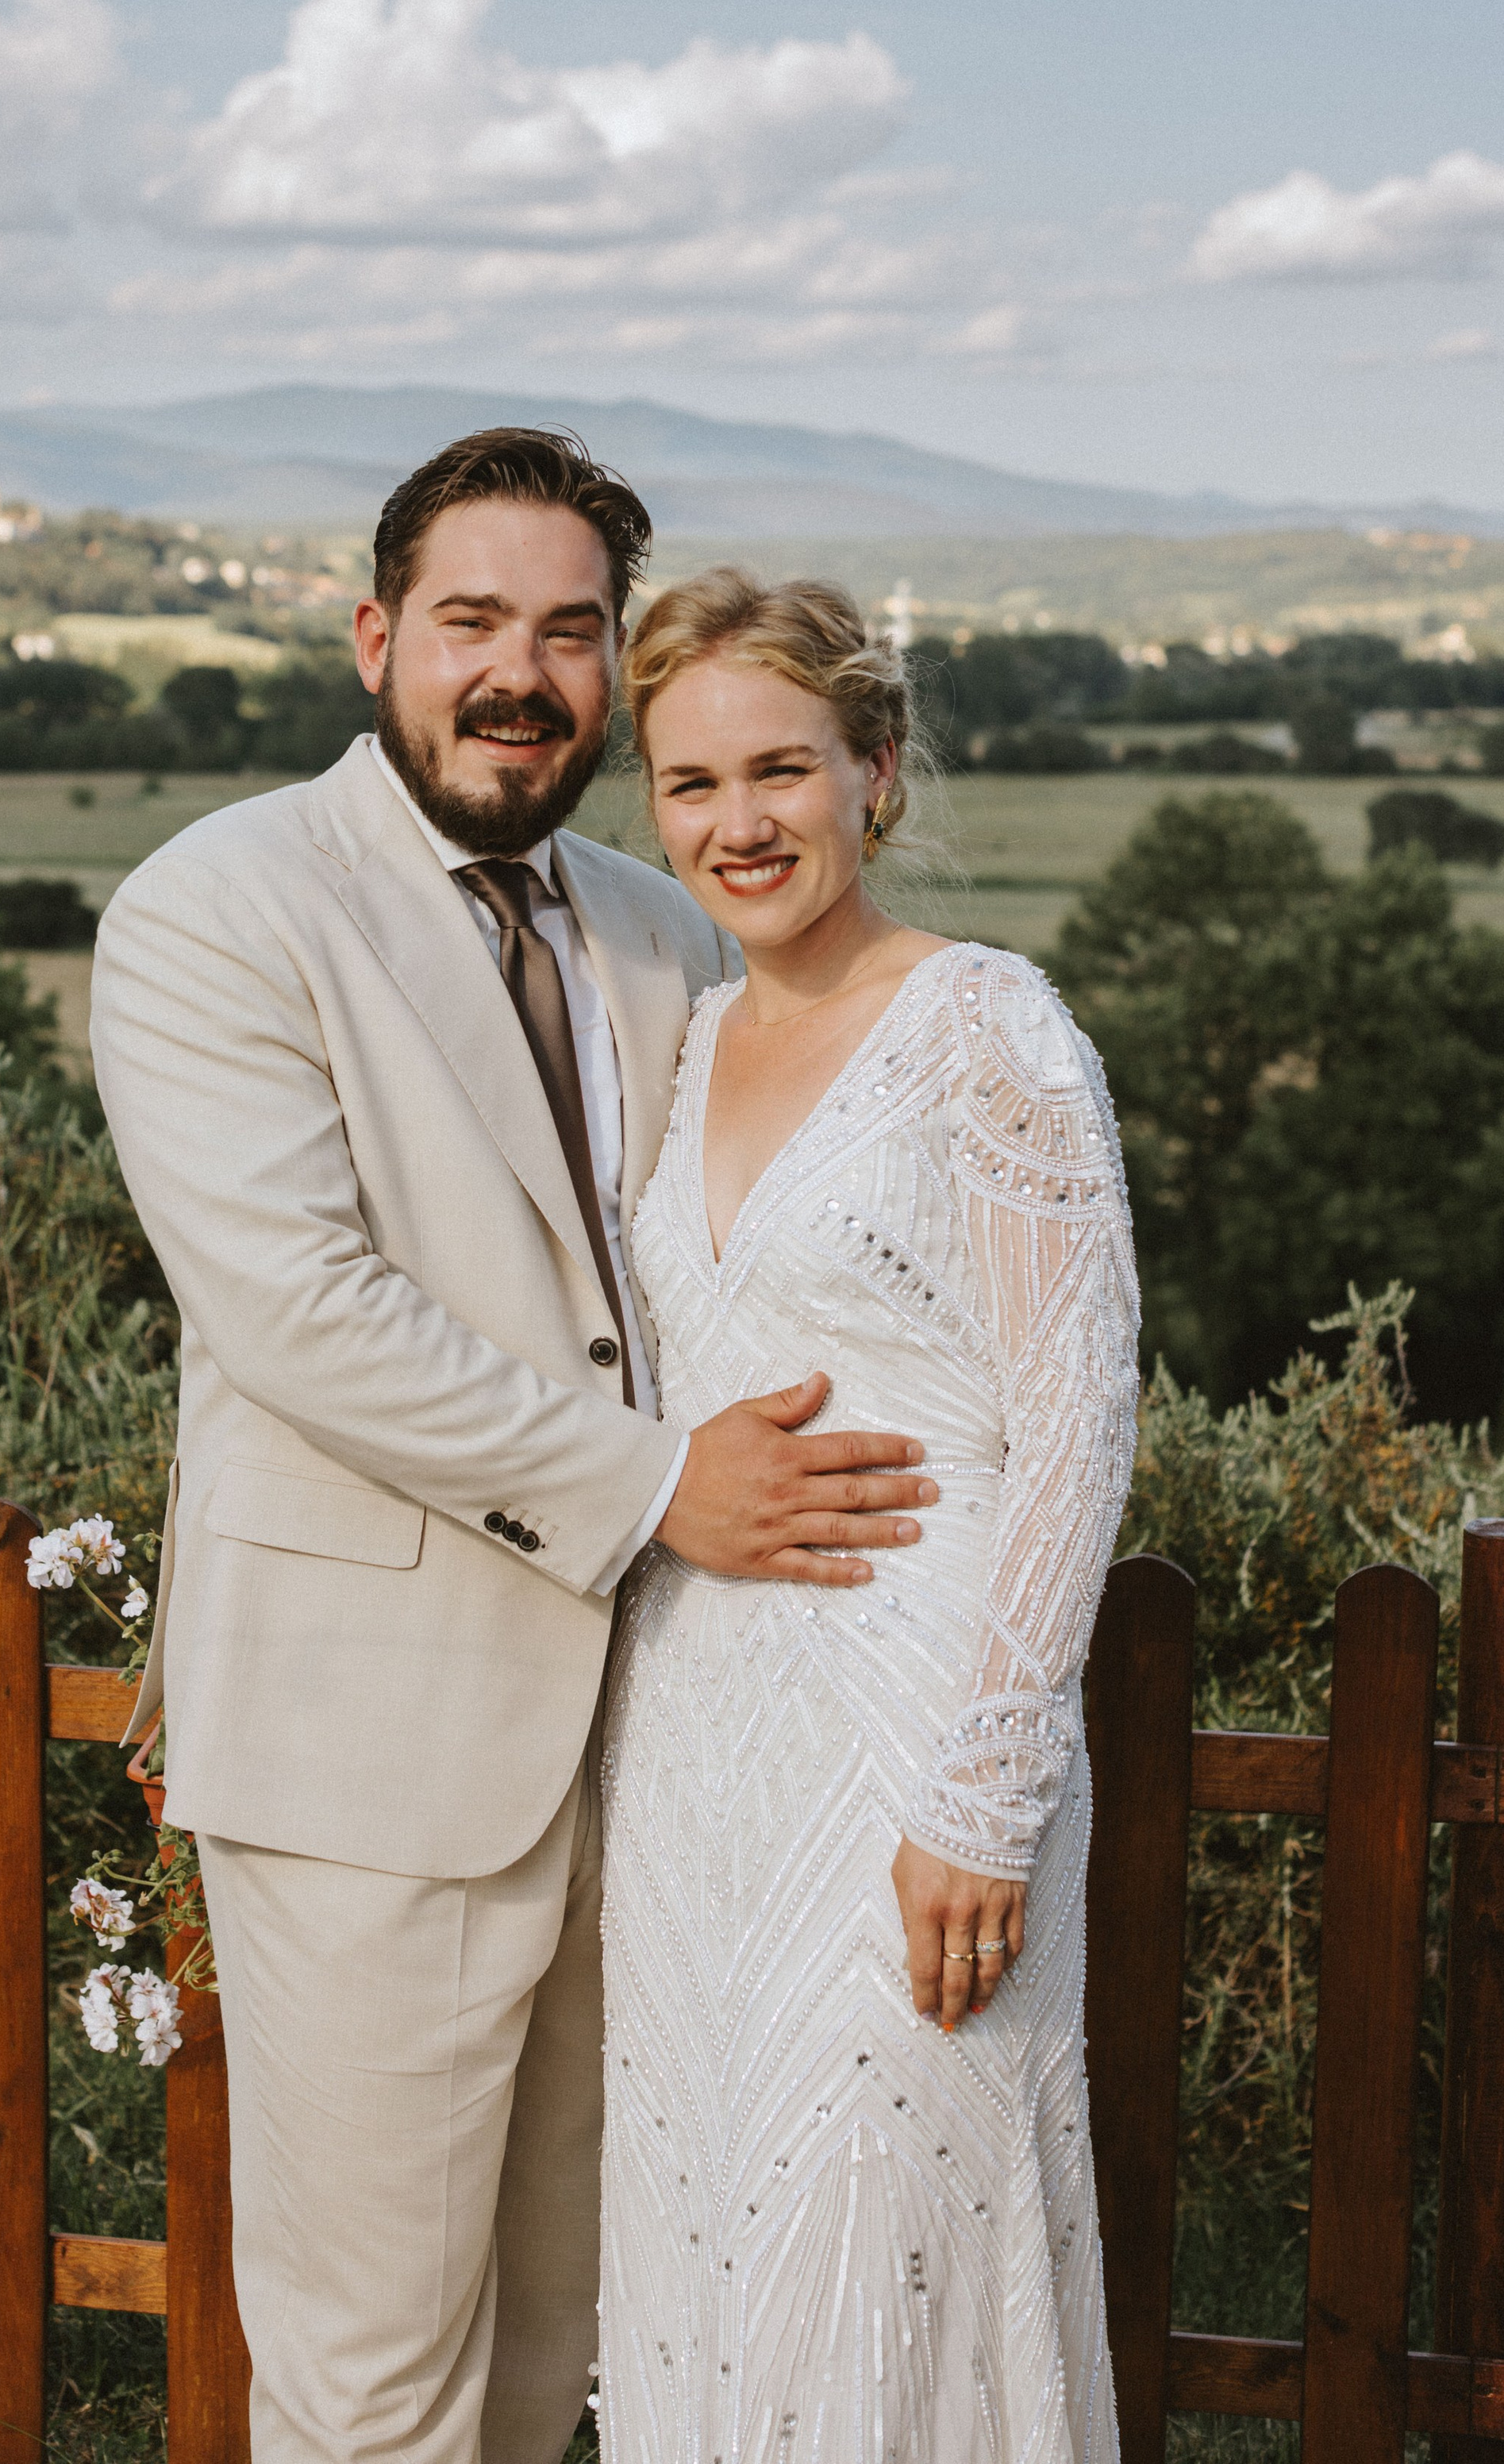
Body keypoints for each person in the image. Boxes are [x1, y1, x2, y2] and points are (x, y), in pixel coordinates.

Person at [90, 433, 937, 2464]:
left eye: (569, 633)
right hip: (375, 1756)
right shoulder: (217, 909)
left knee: (561, 2346)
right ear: (378, 636)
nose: (519, 674)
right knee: (372, 2375)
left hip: (649, 1756)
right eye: (471, 621)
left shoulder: (651, 925)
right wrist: (659, 1487)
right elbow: (302, 1316)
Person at [599, 568, 1138, 2464]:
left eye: (779, 770)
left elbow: (1076, 1423)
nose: (735, 824)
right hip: (687, 1754)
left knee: (889, 2233)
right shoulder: (683, 1046)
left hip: (912, 1754)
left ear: (873, 773)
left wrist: (982, 1794)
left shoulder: (986, 1027)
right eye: (686, 785)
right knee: (705, 2242)